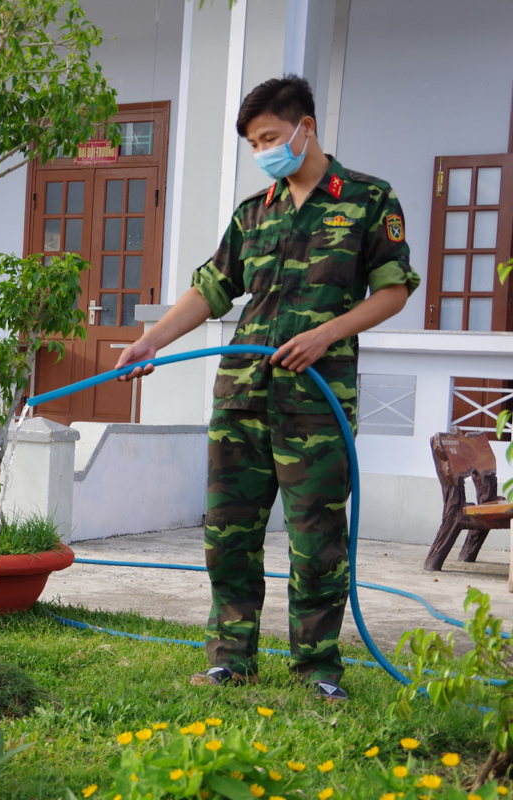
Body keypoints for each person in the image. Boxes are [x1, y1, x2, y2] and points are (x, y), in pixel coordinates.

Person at [114, 76, 419, 701]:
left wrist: (325, 335)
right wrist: (152, 342)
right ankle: (231, 657)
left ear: (305, 127)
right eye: (255, 143)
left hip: (318, 401)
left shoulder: (367, 199)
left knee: (317, 543)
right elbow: (210, 289)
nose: (265, 150)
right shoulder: (255, 211)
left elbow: (393, 289)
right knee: (228, 534)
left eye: (272, 137)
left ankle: (318, 667)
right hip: (243, 396)